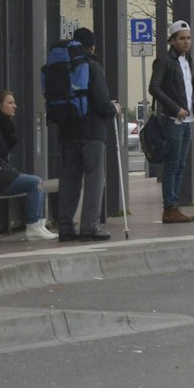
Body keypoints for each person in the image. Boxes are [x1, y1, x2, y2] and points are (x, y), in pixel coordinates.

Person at [46, 28, 118, 242]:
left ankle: (66, 226)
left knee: (69, 179)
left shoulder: (61, 68)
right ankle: (90, 226)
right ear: (92, 46)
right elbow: (102, 103)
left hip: (67, 132)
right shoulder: (93, 67)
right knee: (94, 178)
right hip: (92, 132)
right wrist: (115, 109)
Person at [0, 90, 56, 241]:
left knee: (37, 182)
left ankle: (39, 225)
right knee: (36, 182)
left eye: (13, 102)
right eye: (10, 103)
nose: (15, 106)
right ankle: (33, 226)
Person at [147, 21, 194, 223]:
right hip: (172, 119)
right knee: (172, 164)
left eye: (188, 38)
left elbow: (192, 87)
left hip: (187, 119)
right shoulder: (165, 61)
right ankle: (169, 207)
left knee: (180, 164)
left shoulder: (189, 61)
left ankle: (174, 205)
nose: (186, 42)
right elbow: (154, 88)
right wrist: (175, 107)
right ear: (172, 40)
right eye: (181, 38)